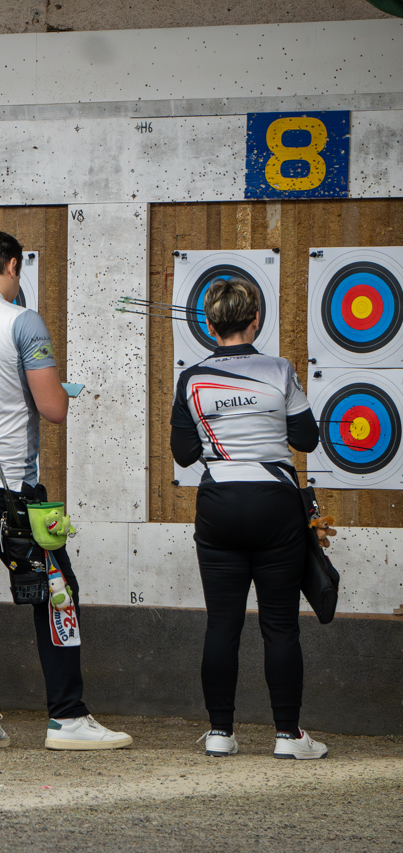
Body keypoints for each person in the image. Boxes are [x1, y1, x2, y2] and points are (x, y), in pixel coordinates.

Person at [0, 227, 132, 752]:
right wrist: (61, 390)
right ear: (13, 265)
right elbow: (53, 409)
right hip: (5, 490)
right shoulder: (22, 321)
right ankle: (67, 717)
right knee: (58, 589)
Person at [170, 277, 326, 759]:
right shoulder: (279, 370)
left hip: (219, 504)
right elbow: (306, 439)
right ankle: (288, 737)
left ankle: (220, 733)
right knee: (280, 626)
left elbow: (183, 453)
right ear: (255, 319)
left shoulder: (192, 378)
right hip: (275, 506)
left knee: (222, 624)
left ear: (210, 325)